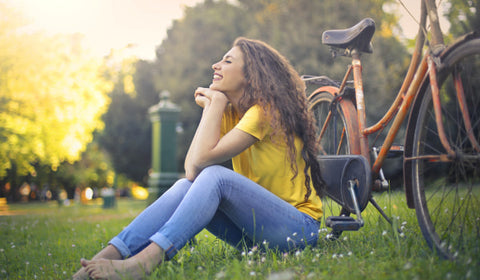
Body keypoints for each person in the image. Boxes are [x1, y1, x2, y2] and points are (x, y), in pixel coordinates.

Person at [73, 37, 325, 280]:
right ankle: (105, 256)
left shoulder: (264, 112)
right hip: (257, 235)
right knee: (185, 185)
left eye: (227, 61)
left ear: (250, 75)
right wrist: (215, 105)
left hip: (297, 229)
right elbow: (192, 170)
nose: (216, 65)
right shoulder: (231, 113)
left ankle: (147, 260)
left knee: (216, 177)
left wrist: (214, 103)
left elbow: (205, 164)